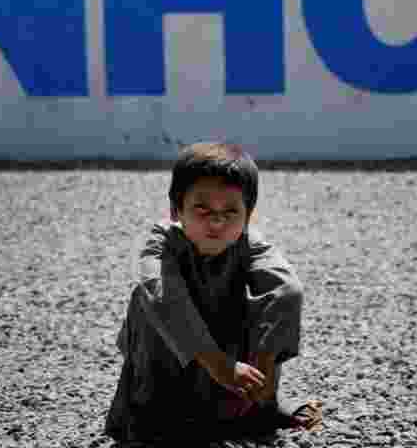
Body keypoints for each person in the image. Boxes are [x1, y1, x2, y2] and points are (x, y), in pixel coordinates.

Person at [104, 141, 322, 445]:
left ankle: (260, 407)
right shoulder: (163, 243)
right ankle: (151, 420)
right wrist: (219, 364)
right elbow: (164, 296)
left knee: (273, 297)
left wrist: (265, 365)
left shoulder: (248, 242)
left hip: (228, 362)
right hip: (166, 364)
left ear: (249, 214)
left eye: (230, 211)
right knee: (151, 301)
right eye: (202, 208)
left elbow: (286, 290)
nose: (217, 221)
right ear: (176, 209)